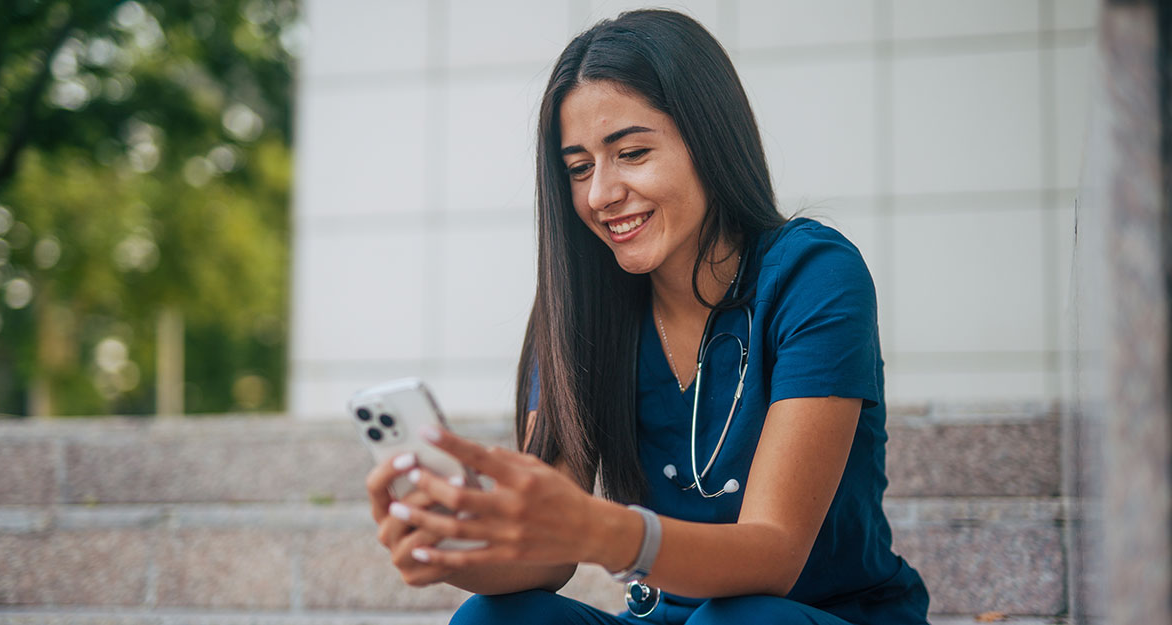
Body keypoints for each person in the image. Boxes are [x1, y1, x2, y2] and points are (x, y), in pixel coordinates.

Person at [364, 9, 930, 624]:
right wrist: (453, 547)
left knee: (742, 620)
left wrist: (602, 530)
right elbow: (544, 558)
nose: (600, 195)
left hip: (809, 617)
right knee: (492, 617)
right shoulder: (583, 307)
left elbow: (774, 557)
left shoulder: (813, 274)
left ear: (709, 140)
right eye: (579, 168)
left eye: (631, 153)